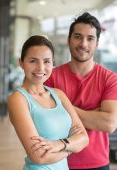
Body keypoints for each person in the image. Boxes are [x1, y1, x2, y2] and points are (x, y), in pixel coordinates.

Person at [40, 12, 117, 170]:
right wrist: (95, 115)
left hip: (97, 163)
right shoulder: (50, 78)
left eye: (90, 38)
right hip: (57, 162)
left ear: (97, 43)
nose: (83, 43)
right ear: (69, 40)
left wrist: (64, 108)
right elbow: (43, 120)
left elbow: (109, 124)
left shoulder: (110, 79)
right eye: (77, 36)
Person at [8, 35, 89, 170]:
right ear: (21, 63)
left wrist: (60, 144)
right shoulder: (18, 99)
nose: (40, 68)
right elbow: (39, 156)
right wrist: (71, 148)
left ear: (52, 63)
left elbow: (84, 138)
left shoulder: (59, 94)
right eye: (33, 61)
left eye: (46, 61)